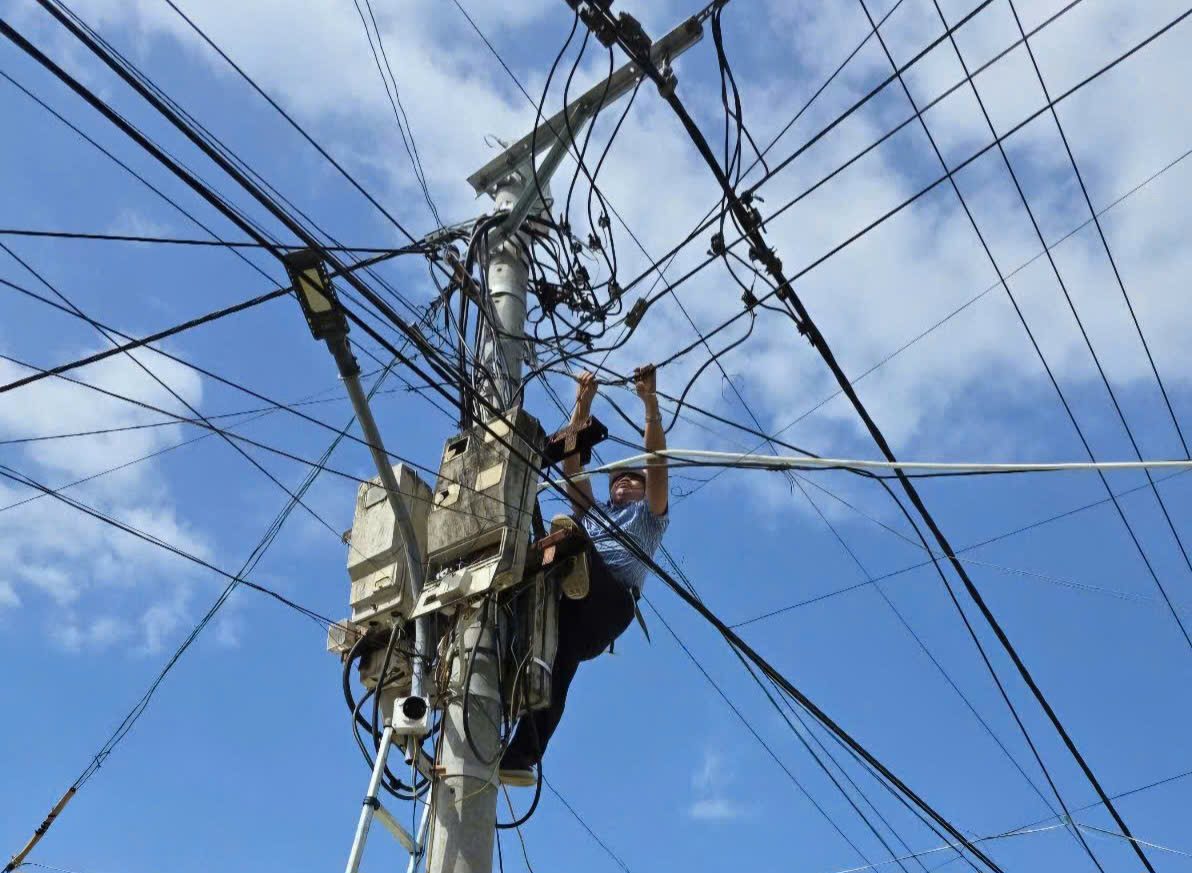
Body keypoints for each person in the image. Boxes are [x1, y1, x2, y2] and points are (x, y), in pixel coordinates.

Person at [500, 365, 669, 785]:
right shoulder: (596, 513)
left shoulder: (648, 516)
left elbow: (657, 462)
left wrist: (649, 404)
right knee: (558, 666)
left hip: (610, 599)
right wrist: (583, 401)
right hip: (575, 614)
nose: (621, 484)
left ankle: (571, 566)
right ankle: (520, 757)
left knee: (568, 535)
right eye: (616, 480)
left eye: (630, 479)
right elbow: (571, 463)